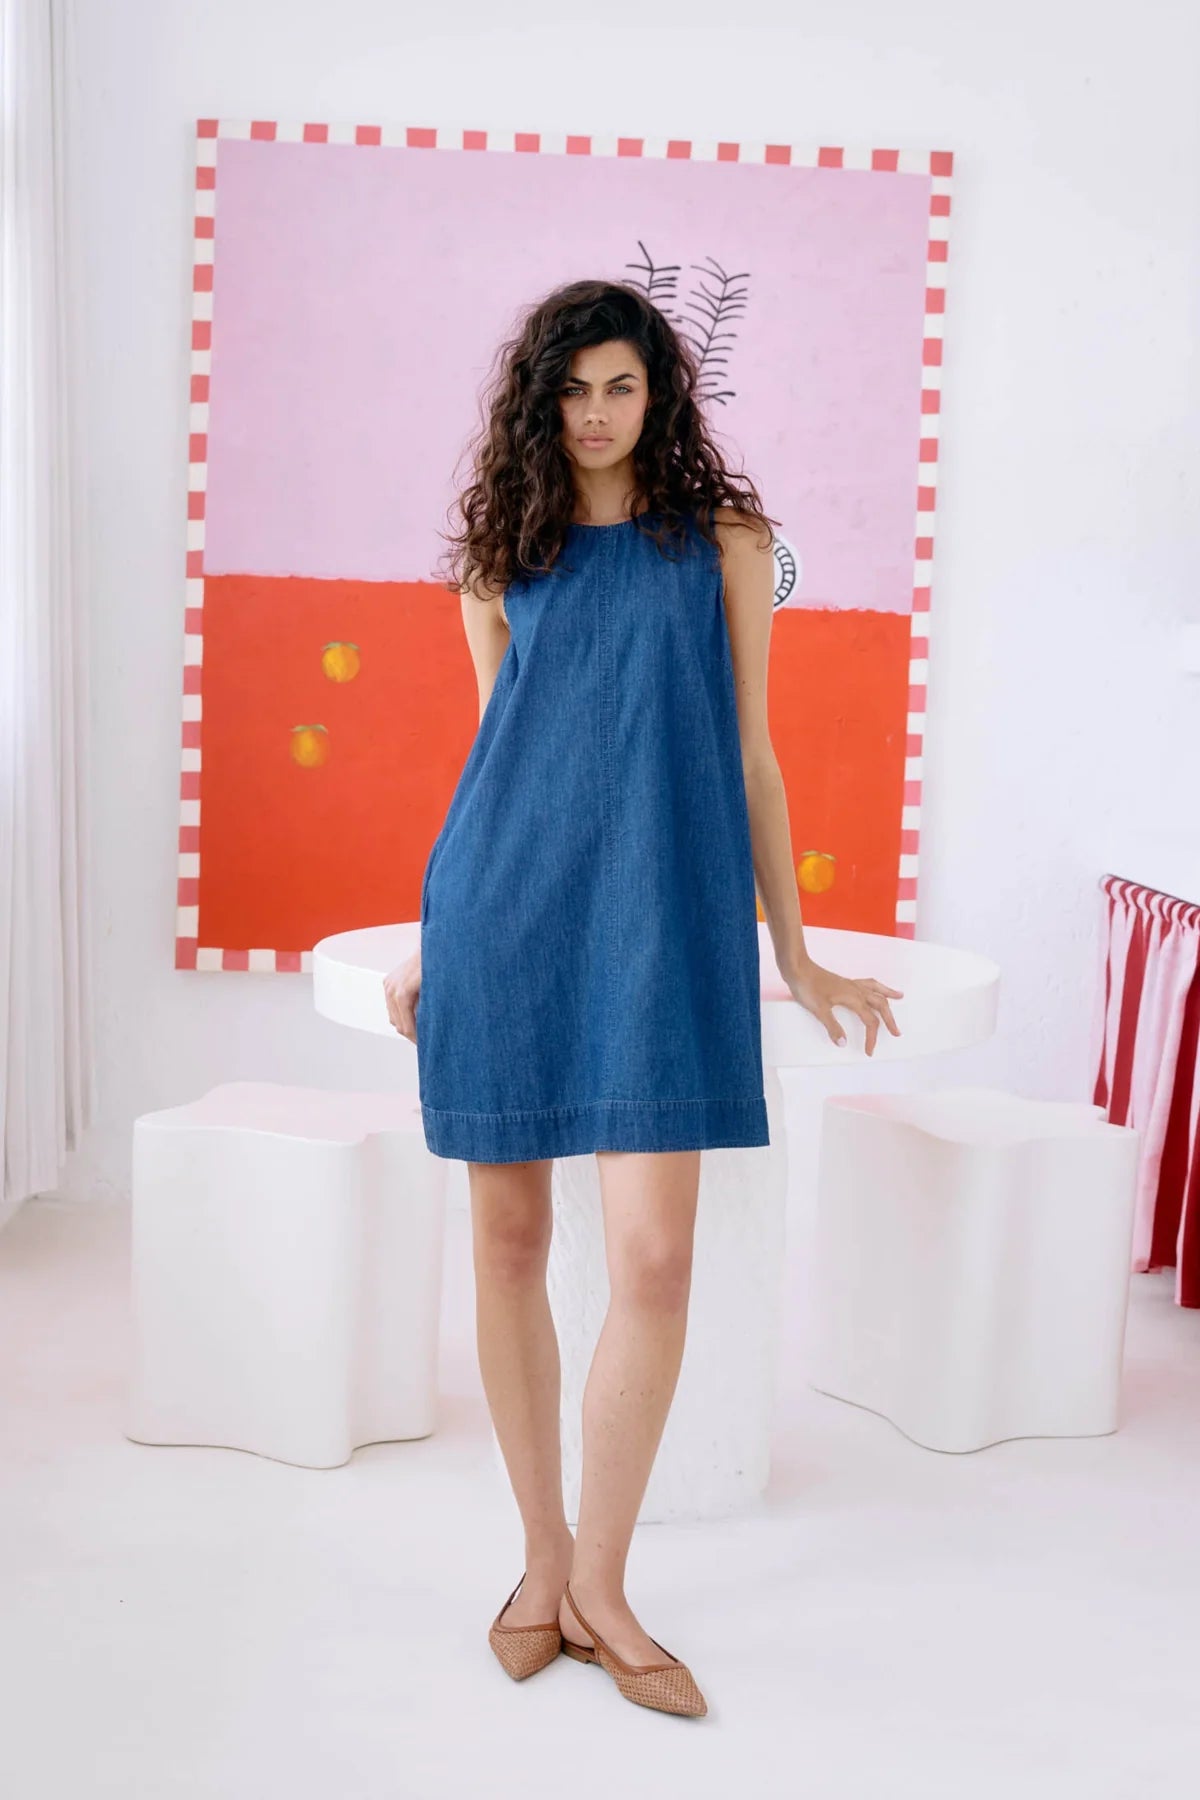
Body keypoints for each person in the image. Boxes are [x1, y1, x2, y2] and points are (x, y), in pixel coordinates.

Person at [383, 279, 903, 1718]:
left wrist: (794, 955)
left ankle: (603, 1585)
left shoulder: (727, 544)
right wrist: (437, 940)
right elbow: (497, 759)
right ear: (539, 403)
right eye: (573, 390)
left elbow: (753, 757)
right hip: (507, 912)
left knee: (654, 1261)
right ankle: (540, 1561)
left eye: (622, 385)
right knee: (507, 1242)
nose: (598, 413)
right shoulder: (503, 551)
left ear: (659, 392)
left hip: (666, 923)